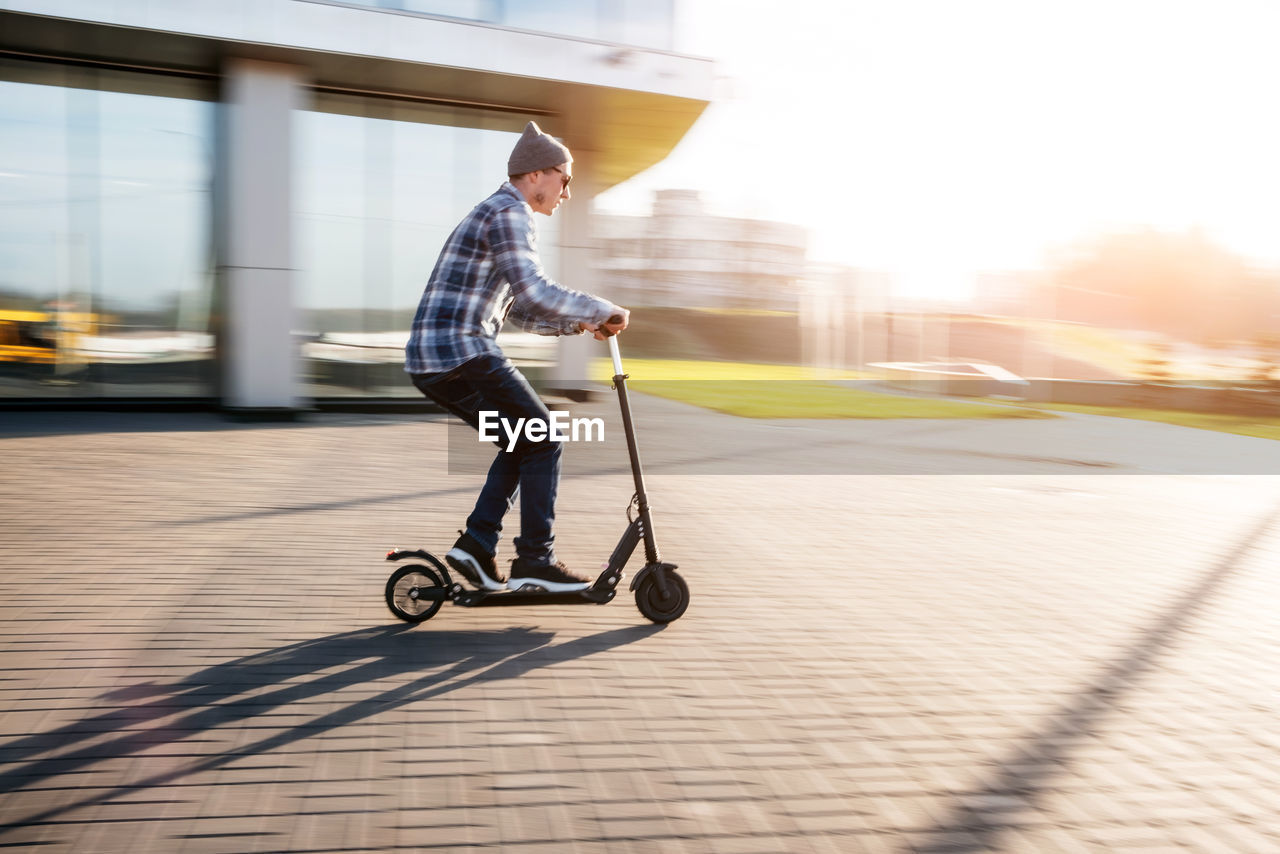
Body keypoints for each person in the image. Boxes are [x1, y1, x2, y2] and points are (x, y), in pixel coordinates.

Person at [405, 121, 628, 594]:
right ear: (537, 174)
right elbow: (536, 289)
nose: (567, 193)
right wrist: (601, 308)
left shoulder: (496, 211)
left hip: (436, 361)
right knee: (544, 438)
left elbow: (522, 310)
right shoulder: (510, 212)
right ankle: (535, 563)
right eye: (565, 180)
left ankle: (477, 546)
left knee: (522, 442)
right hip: (460, 352)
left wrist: (579, 323)